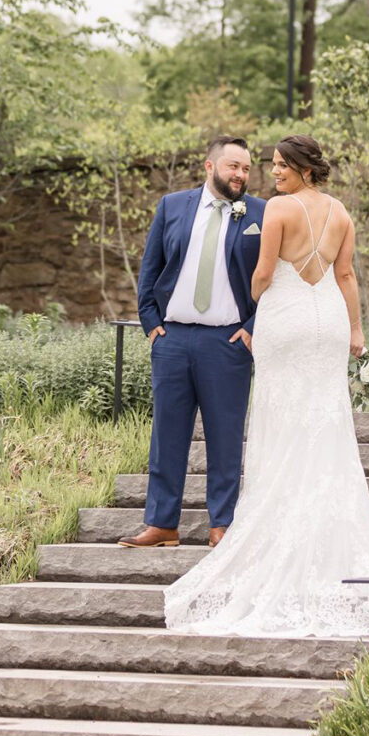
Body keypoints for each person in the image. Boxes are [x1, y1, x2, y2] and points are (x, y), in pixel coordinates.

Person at [164, 134, 369, 637]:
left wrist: (252, 291)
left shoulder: (279, 211)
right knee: (326, 423)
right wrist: (357, 331)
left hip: (287, 320)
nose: (274, 173)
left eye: (280, 165)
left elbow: (264, 274)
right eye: (271, 166)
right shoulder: (342, 214)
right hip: (329, 321)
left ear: (304, 168)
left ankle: (277, 526)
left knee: (279, 420)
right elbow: (347, 276)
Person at [119, 136, 266, 550]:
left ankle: (221, 524)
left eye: (246, 168)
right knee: (167, 434)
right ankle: (162, 524)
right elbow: (151, 267)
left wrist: (253, 326)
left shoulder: (260, 213)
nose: (240, 175)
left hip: (227, 342)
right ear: (209, 166)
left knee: (225, 434)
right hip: (173, 339)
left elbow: (274, 278)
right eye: (233, 166)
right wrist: (151, 322)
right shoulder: (172, 206)